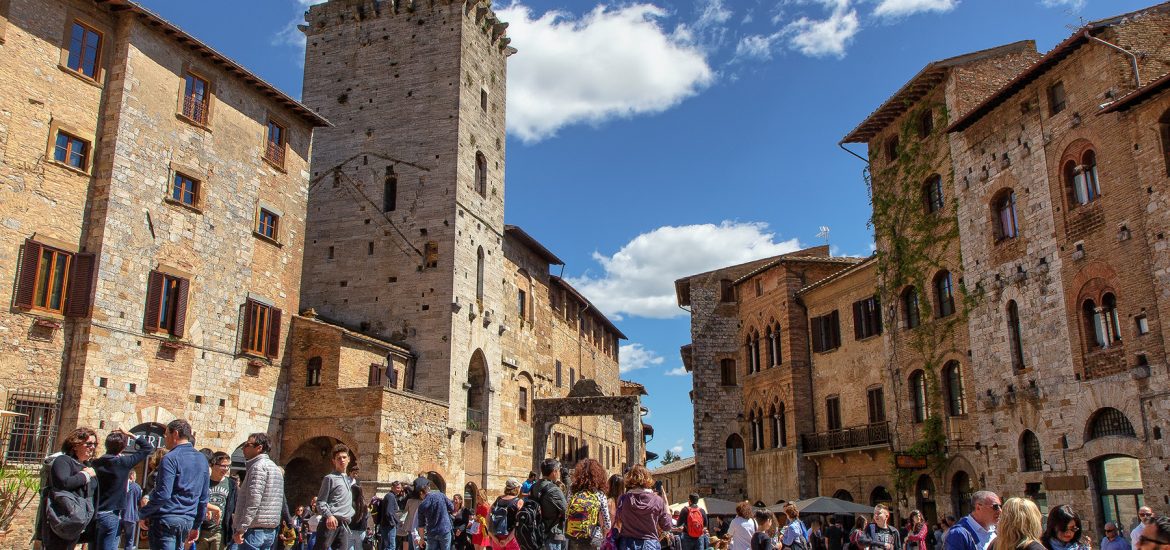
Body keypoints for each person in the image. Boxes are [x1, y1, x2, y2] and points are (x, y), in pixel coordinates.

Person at [140, 419, 211, 550]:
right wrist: (196, 525)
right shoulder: (202, 459)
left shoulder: (170, 458)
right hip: (187, 520)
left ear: (175, 434)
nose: (165, 438)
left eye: (166, 434)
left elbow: (163, 494)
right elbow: (204, 496)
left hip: (166, 519)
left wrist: (143, 513)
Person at [37, 427, 99, 550]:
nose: (93, 447)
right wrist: (85, 475)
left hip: (78, 522)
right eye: (89, 444)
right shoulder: (63, 461)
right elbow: (63, 483)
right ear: (75, 445)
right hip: (62, 520)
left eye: (95, 444)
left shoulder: (87, 465)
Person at [93, 428, 154, 550]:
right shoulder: (123, 462)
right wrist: (130, 434)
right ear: (123, 447)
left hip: (95, 513)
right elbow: (147, 448)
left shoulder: (96, 463)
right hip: (111, 513)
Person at [234, 432, 285, 549]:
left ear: (259, 448)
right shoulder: (275, 468)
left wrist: (242, 528)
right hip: (269, 531)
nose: (243, 448)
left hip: (254, 530)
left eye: (247, 445)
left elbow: (253, 501)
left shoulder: (258, 467)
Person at [614, 464, 672, 550]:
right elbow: (667, 526)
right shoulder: (657, 500)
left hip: (627, 544)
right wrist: (666, 504)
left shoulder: (623, 499)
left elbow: (618, 521)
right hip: (649, 544)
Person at [314, 444, 355, 550]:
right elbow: (320, 502)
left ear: (349, 459)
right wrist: (329, 516)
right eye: (339, 458)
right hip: (330, 523)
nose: (342, 460)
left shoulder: (349, 480)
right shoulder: (329, 478)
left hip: (344, 524)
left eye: (344, 457)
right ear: (334, 461)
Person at [565, 458, 611, 550]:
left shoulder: (572, 489)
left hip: (574, 536)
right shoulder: (599, 493)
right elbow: (607, 522)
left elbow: (567, 511)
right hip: (593, 537)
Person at [196, 451, 237, 550]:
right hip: (201, 530)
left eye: (228, 466)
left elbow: (235, 507)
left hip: (220, 532)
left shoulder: (231, 484)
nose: (226, 469)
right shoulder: (203, 481)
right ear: (212, 465)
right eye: (223, 466)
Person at [532, 458, 569, 550]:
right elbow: (567, 511)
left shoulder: (535, 485)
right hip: (553, 532)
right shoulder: (554, 490)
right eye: (559, 471)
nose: (560, 473)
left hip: (538, 529)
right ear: (554, 472)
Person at [416, 475, 454, 550]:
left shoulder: (421, 506)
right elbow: (452, 508)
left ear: (421, 493)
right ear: (428, 489)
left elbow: (421, 525)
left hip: (431, 532)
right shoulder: (441, 495)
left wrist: (422, 539)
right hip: (444, 530)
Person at [489, 479, 524, 550]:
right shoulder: (519, 502)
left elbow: (487, 519)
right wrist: (507, 540)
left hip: (497, 537)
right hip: (512, 537)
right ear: (516, 488)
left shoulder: (498, 500)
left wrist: (493, 538)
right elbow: (520, 523)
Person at [348, 462, 370, 550]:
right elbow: (366, 516)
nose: (356, 475)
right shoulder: (364, 505)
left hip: (351, 529)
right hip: (361, 530)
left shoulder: (350, 504)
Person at [123, 470, 144, 549]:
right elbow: (140, 501)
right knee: (129, 540)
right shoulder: (137, 487)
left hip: (120, 515)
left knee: (116, 538)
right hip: (131, 516)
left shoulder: (122, 485)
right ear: (132, 476)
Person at [379, 483, 403, 550]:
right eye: (397, 488)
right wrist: (395, 522)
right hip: (389, 526)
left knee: (385, 546)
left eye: (400, 488)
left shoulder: (389, 496)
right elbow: (389, 512)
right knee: (391, 547)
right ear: (392, 487)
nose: (399, 489)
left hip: (385, 525)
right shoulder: (391, 496)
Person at [467, 482, 490, 550]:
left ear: (482, 496)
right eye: (477, 495)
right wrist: (473, 518)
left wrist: (477, 517)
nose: (477, 497)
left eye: (478, 495)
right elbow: (477, 516)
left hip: (483, 529)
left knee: (482, 548)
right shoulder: (477, 505)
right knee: (476, 548)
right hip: (476, 527)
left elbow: (487, 519)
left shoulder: (486, 506)